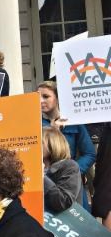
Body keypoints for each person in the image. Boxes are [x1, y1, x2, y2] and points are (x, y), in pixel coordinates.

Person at [38, 80, 96, 209]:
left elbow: (89, 153)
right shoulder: (33, 122)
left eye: (46, 96)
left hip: (69, 182)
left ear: (58, 98)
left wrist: (74, 171)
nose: (41, 100)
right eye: (37, 97)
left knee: (76, 219)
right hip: (44, 180)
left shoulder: (73, 121)